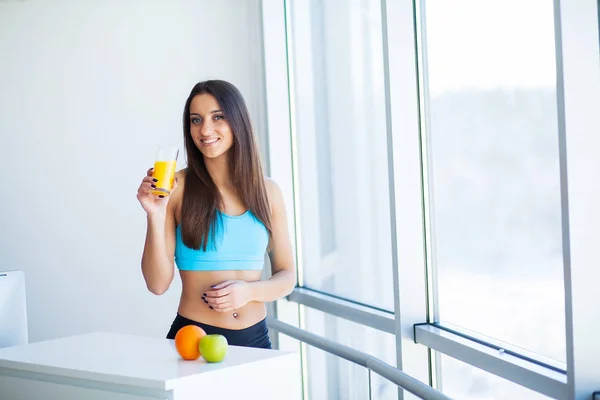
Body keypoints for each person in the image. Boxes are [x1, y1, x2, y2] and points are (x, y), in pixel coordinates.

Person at [136, 80, 296, 349]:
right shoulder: (177, 187)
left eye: (217, 117)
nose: (205, 130)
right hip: (193, 342)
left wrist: (249, 292)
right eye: (196, 120)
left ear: (238, 121)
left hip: (255, 341)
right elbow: (157, 284)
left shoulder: (268, 192)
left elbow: (287, 276)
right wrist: (155, 214)